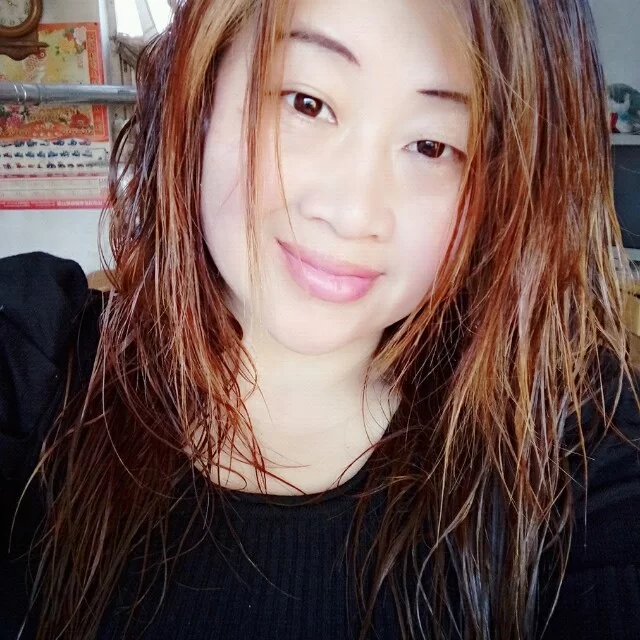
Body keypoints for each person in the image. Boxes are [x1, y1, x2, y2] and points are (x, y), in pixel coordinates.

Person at [1, 0, 639, 638]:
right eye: (306, 103)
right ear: (202, 86)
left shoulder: (568, 452)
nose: (352, 213)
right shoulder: (34, 362)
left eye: (432, 145)